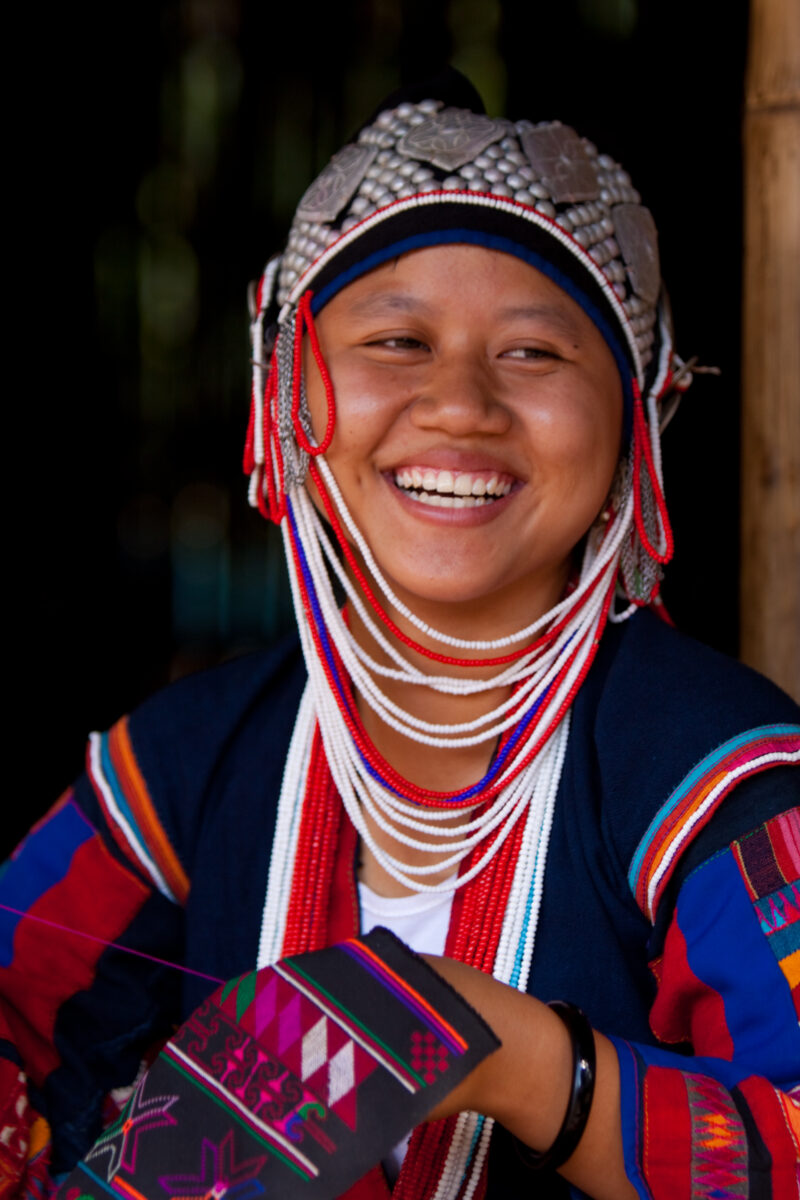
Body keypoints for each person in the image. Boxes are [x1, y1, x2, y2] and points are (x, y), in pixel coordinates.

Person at [2, 72, 798, 1200]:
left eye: (533, 352)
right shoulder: (182, 766)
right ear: (288, 394)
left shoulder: (724, 781)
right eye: (394, 340)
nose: (459, 403)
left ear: (635, 414)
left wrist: (503, 1049)